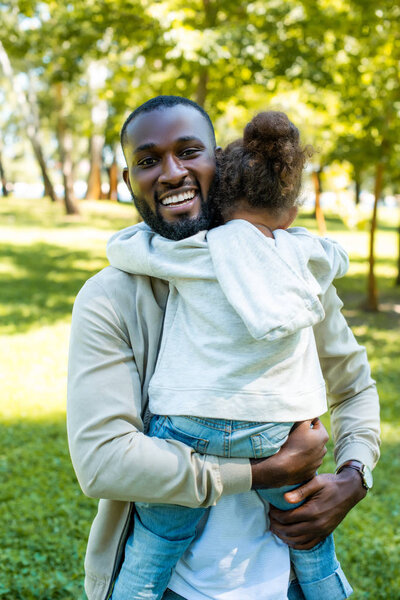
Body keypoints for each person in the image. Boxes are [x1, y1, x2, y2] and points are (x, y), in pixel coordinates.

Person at [67, 96, 380, 600]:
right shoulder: (110, 297)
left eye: (190, 152)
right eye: (147, 161)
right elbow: (103, 461)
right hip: (170, 587)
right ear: (129, 182)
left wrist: (354, 474)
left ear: (218, 160)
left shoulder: (288, 274)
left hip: (289, 582)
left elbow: (355, 388)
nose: (171, 173)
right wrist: (259, 473)